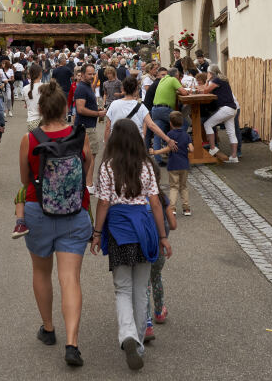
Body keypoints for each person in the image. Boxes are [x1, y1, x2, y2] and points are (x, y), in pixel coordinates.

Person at [19, 82, 94, 367]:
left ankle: (48, 329)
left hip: (38, 210)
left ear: (40, 109)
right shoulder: (80, 135)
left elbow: (25, 180)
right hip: (74, 212)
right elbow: (87, 168)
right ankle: (72, 342)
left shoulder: (30, 139)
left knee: (41, 271)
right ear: (66, 108)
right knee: (70, 278)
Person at [90, 119, 172, 370]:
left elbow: (103, 203)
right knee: (140, 290)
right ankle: (137, 344)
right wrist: (163, 237)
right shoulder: (147, 165)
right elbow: (156, 204)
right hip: (145, 230)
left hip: (119, 231)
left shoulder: (106, 168)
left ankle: (128, 335)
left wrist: (96, 233)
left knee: (123, 289)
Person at [105, 76, 178, 157]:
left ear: (123, 89)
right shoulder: (141, 107)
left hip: (117, 142)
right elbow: (152, 125)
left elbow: (108, 127)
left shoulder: (114, 104)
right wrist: (168, 140)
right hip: (135, 142)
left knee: (118, 167)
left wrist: (107, 147)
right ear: (136, 89)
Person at [12, 62, 44, 238]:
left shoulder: (25, 88)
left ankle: (33, 175)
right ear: (40, 73)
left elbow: (27, 104)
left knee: (33, 151)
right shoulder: (44, 87)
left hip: (31, 122)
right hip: (41, 120)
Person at [74, 64, 107, 189]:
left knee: (88, 156)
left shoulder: (86, 86)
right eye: (89, 74)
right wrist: (97, 113)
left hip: (87, 126)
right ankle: (89, 184)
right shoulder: (82, 88)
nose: (92, 76)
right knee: (91, 156)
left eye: (93, 74)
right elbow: (80, 109)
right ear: (82, 74)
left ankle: (86, 184)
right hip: (86, 127)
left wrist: (96, 109)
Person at [199, 65, 239, 163]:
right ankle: (234, 156)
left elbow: (205, 91)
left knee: (207, 124)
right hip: (232, 109)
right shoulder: (223, 80)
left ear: (210, 73)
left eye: (208, 73)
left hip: (226, 109)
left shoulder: (215, 80)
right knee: (231, 132)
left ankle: (213, 148)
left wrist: (207, 80)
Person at [161, 111, 193, 217]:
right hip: (184, 165)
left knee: (174, 187)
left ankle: (173, 208)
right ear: (182, 122)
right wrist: (187, 148)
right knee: (183, 187)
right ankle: (186, 209)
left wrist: (156, 152)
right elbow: (192, 149)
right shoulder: (186, 135)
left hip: (173, 164)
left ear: (170, 123)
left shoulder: (170, 135)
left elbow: (167, 149)